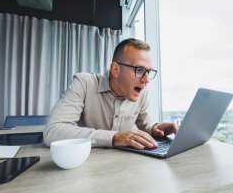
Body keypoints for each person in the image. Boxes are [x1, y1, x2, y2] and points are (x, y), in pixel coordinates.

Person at [43, 38, 178, 149]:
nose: (146, 79)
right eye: (139, 69)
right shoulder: (84, 83)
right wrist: (114, 137)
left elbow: (146, 124)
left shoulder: (141, 92)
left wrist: (155, 128)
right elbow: (53, 132)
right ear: (115, 69)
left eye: (148, 72)